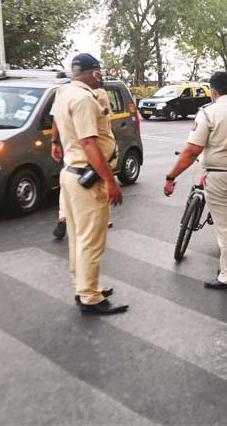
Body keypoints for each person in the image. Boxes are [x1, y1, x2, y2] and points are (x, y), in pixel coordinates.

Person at [50, 53, 127, 315]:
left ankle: (84, 286)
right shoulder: (83, 99)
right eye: (100, 72)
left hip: (71, 174)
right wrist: (110, 181)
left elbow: (56, 125)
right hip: (87, 177)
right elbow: (89, 143)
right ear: (94, 73)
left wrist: (54, 144)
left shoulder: (64, 93)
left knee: (78, 238)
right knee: (91, 240)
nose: (102, 76)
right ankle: (90, 298)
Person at [164, 71, 227, 289]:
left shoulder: (208, 113)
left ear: (213, 91)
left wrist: (171, 176)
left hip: (221, 178)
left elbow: (192, 150)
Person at [52, 88, 116, 240]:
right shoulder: (97, 93)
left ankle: (63, 216)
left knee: (68, 181)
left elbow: (55, 118)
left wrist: (54, 142)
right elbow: (107, 122)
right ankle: (103, 219)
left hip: (71, 151)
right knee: (101, 180)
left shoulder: (62, 92)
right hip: (93, 148)